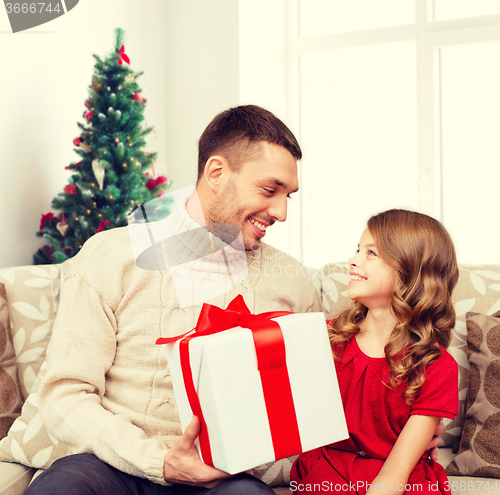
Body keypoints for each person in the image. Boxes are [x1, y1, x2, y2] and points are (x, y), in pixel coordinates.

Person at [24, 107, 443, 495]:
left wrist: (411, 431)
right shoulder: (110, 257)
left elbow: (318, 398)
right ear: (217, 172)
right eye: (269, 189)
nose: (280, 212)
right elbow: (65, 394)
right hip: (112, 466)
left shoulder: (290, 279)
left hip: (229, 477)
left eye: (288, 195)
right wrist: (159, 462)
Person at [290, 209, 459, 495]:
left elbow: (397, 470)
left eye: (371, 253)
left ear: (411, 272)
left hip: (398, 480)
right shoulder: (326, 338)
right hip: (329, 472)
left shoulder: (437, 366)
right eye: (358, 250)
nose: (353, 260)